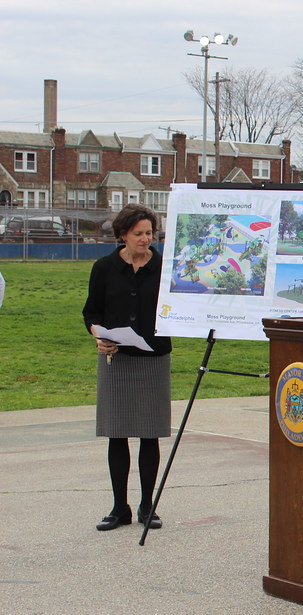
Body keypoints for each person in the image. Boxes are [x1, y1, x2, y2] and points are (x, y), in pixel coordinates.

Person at [83, 204, 171, 532]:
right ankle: (120, 507)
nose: (146, 239)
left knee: (150, 433)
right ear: (122, 235)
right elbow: (91, 313)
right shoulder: (104, 268)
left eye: (150, 233)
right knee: (116, 433)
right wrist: (98, 336)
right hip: (116, 360)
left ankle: (148, 506)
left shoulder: (165, 267)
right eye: (139, 234)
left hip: (154, 359)